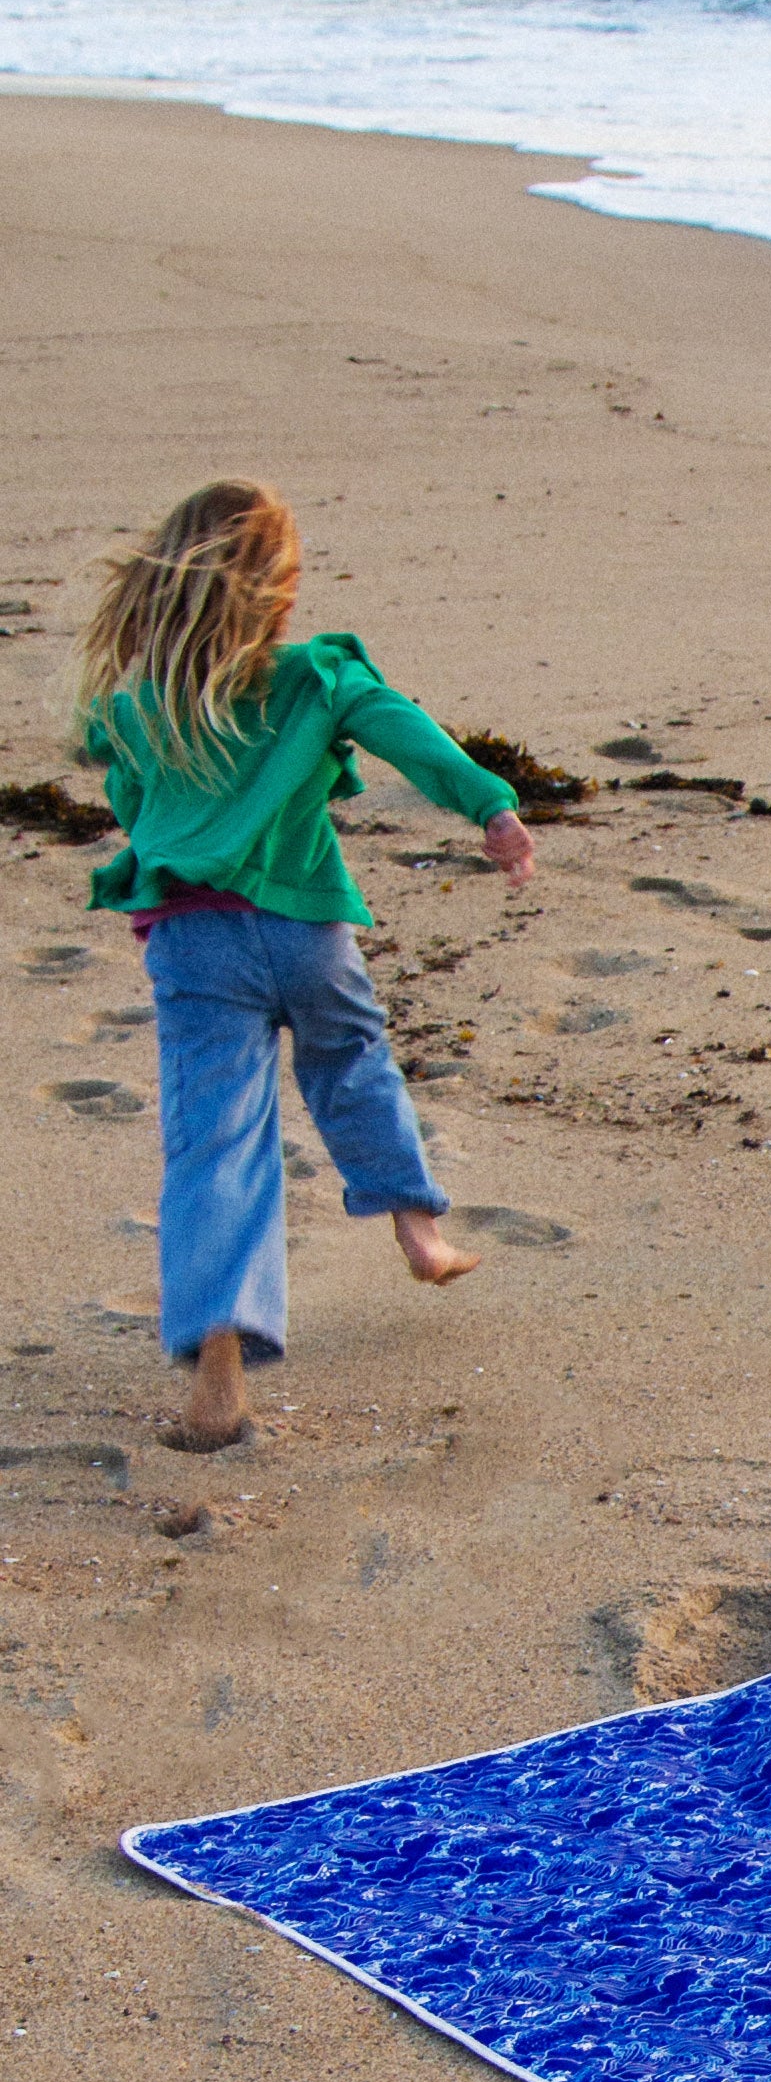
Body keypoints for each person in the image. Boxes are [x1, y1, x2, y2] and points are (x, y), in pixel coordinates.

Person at [73, 479, 536, 1451]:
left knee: (216, 1139)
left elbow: (121, 784)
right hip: (307, 934)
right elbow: (407, 731)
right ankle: (417, 1226)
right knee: (351, 1061)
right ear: (280, 596)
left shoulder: (141, 703)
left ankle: (219, 1363)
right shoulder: (319, 678)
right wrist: (490, 806)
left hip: (194, 943)